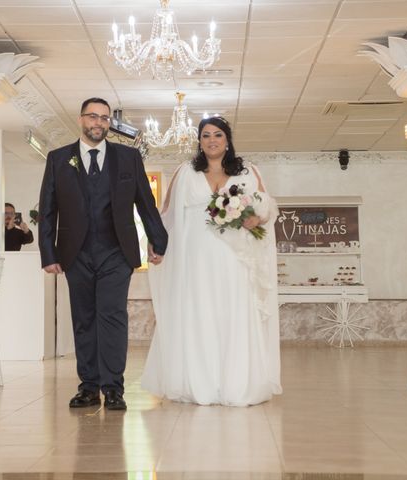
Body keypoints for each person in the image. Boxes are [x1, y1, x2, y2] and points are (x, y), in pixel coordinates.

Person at [141, 116, 281, 406]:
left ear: (227, 140)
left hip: (234, 259)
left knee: (233, 313)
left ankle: (237, 383)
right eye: (206, 135)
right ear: (200, 141)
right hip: (195, 260)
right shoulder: (185, 172)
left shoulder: (248, 171)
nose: (212, 140)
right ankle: (198, 383)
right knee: (198, 313)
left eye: (218, 134)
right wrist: (156, 244)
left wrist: (257, 216)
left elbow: (266, 206)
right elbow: (166, 214)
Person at [38, 97, 168, 411]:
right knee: (83, 320)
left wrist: (158, 240)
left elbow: (144, 202)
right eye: (93, 117)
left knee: (112, 317)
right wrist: (48, 253)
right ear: (81, 119)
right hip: (75, 253)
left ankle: (113, 389)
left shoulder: (128, 157)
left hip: (116, 252)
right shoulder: (58, 159)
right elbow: (47, 210)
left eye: (105, 118)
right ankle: (88, 386)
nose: (99, 123)